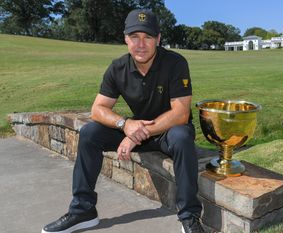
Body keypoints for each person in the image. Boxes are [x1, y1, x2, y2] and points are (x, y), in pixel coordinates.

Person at [42, 9, 204, 233]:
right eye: (134, 37)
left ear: (158, 39)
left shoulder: (175, 63)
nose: (141, 44)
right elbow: (97, 109)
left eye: (148, 37)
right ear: (125, 39)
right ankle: (83, 210)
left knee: (183, 135)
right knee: (90, 133)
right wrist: (125, 125)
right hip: (136, 128)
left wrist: (134, 137)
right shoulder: (118, 68)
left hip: (169, 132)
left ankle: (189, 217)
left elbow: (180, 113)